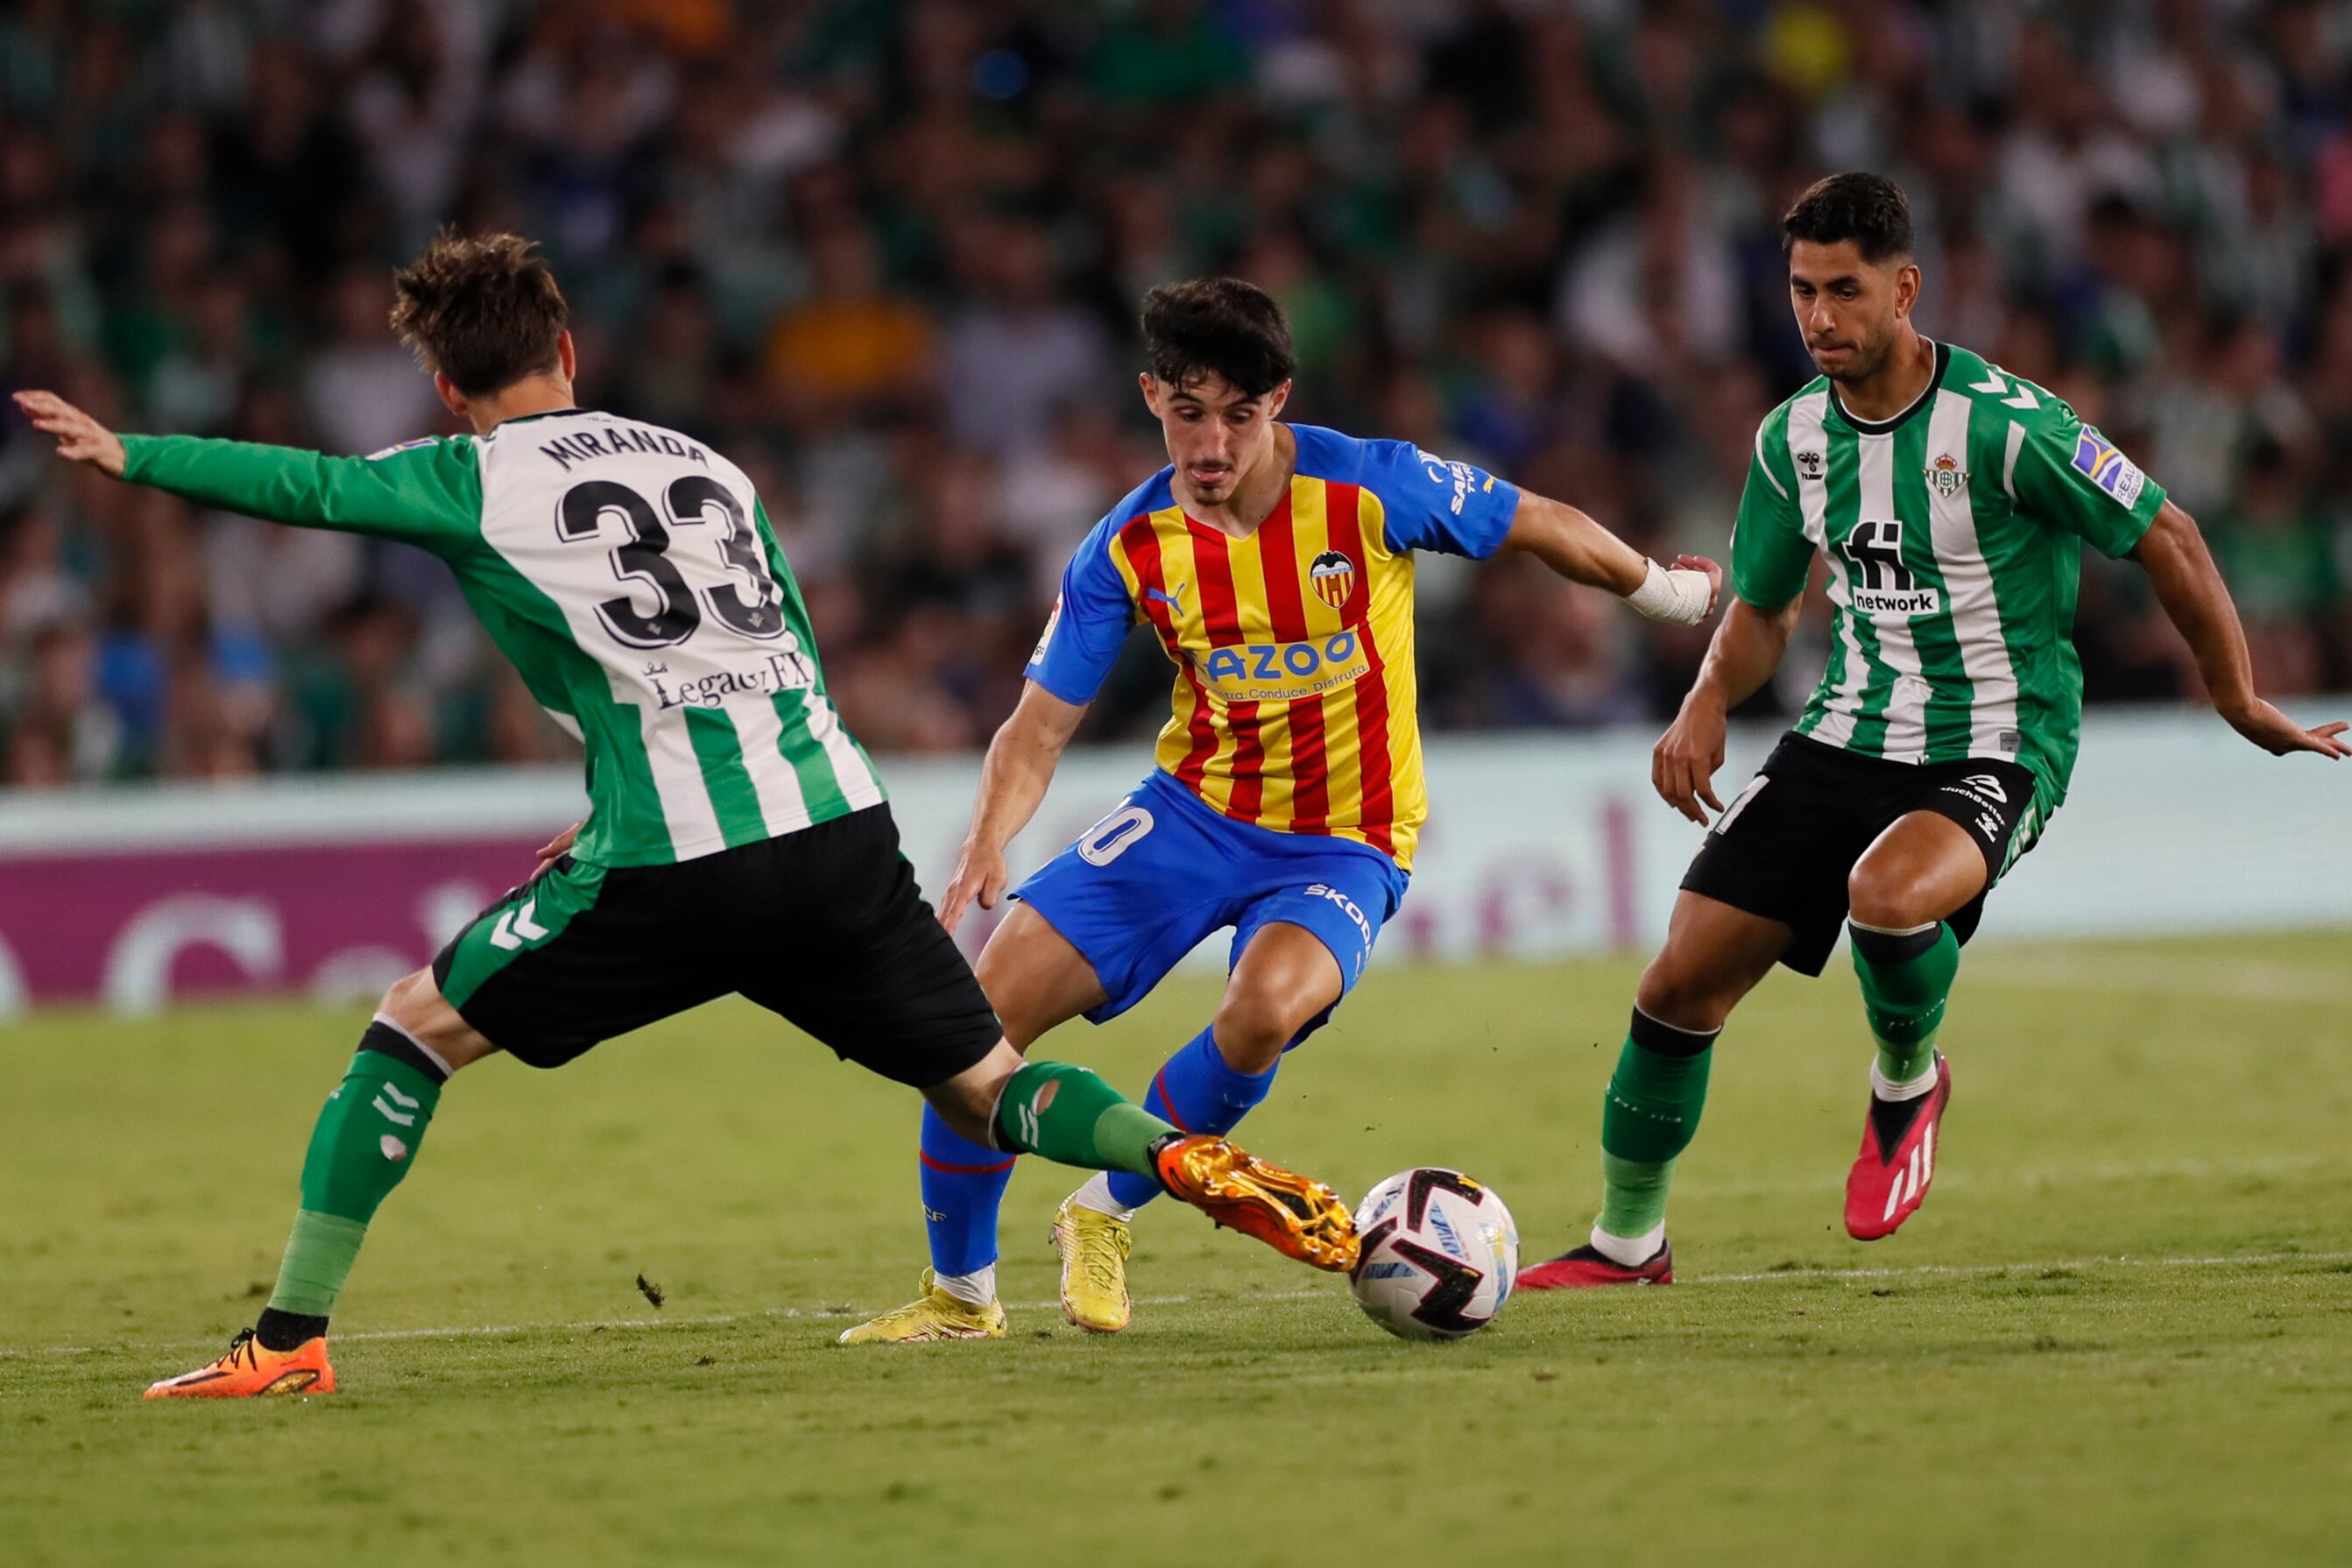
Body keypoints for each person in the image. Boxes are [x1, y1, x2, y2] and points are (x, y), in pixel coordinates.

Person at [14, 233, 1360, 1399]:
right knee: (989, 1084)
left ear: (445, 386)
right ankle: (1180, 1157)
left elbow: (303, 487)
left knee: (407, 1030)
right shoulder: (705, 463)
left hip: (675, 860)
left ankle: (286, 1340)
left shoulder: (466, 473)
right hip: (833, 822)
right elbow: (784, 643)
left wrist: (128, 453)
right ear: (570, 348)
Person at [841, 277, 1720, 1343]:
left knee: (1264, 1009)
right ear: (1151, 396)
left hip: (1346, 840)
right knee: (974, 1019)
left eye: (1239, 414)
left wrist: (1665, 594)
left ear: (1279, 401)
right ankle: (962, 1296)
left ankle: (1107, 1206)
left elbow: (1537, 523)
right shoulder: (1128, 543)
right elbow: (1036, 727)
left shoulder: (1371, 486)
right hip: (1190, 813)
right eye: (1187, 411)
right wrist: (987, 837)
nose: (1211, 442)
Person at [1519, 173, 2347, 1289]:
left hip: (1998, 740)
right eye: (1803, 291)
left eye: (1845, 291)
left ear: (1905, 288)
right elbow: (1765, 609)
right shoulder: (1791, 439)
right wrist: (1708, 696)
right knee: (1676, 982)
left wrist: (2239, 695)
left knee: (1889, 894)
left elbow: (2173, 534)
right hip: (1843, 733)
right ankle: (1629, 1242)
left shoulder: (2008, 424)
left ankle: (1908, 1078)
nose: (1820, 318)